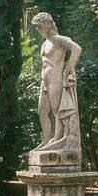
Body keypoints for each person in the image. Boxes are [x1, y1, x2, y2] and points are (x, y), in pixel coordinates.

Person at [30, 12, 81, 153]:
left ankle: (58, 138)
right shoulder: (44, 43)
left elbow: (76, 48)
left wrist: (70, 64)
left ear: (47, 25)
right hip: (45, 81)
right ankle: (47, 139)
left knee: (57, 111)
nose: (38, 30)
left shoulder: (59, 39)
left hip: (55, 78)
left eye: (39, 27)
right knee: (42, 111)